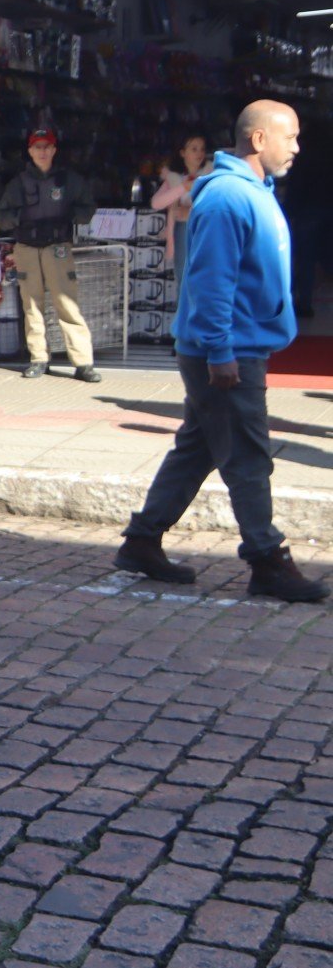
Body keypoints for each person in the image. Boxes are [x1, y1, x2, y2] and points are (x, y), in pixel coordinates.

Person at [116, 101, 327, 603]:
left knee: (200, 447)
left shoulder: (250, 191)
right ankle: (266, 558)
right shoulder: (229, 197)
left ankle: (142, 540)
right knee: (248, 455)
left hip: (233, 345)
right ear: (258, 140)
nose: (297, 147)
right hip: (227, 350)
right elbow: (211, 283)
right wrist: (220, 351)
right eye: (290, 137)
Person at [0, 128, 101, 383]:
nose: (42, 151)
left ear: (54, 150)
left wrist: (69, 217)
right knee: (32, 305)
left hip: (58, 248)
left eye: (47, 146)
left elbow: (88, 207)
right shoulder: (18, 183)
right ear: (30, 151)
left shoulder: (69, 180)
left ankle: (83, 362)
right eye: (37, 147)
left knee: (67, 303)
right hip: (27, 248)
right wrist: (21, 220)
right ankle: (39, 358)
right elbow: (1, 216)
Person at [151, 130, 211, 287]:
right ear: (182, 153)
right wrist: (184, 187)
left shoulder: (210, 175)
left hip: (206, 229)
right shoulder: (175, 178)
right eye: (194, 149)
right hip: (184, 231)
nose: (199, 153)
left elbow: (216, 204)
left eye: (202, 149)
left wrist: (190, 212)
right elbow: (156, 203)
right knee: (184, 279)